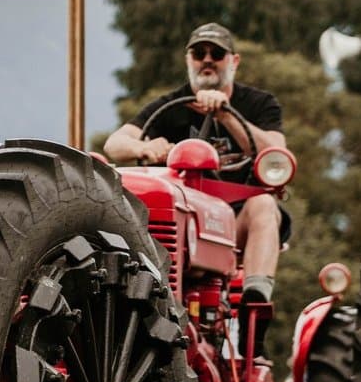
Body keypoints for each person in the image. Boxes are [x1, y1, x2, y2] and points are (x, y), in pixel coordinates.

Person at [103, 24, 289, 302]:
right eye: (199, 53)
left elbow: (276, 153)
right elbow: (114, 145)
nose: (207, 60)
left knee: (264, 204)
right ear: (188, 60)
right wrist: (145, 146)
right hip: (183, 226)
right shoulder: (170, 106)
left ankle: (255, 296)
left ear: (234, 61)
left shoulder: (259, 104)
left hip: (233, 225)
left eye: (217, 53)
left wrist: (226, 114)